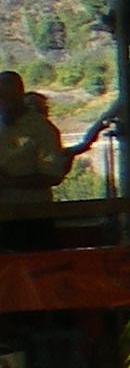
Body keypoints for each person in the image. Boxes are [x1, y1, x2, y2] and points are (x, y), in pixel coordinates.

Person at [0, 73, 79, 251]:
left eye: (4, 95)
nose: (1, 101)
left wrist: (8, 182)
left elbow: (53, 176)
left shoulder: (43, 130)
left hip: (31, 219)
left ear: (19, 94)